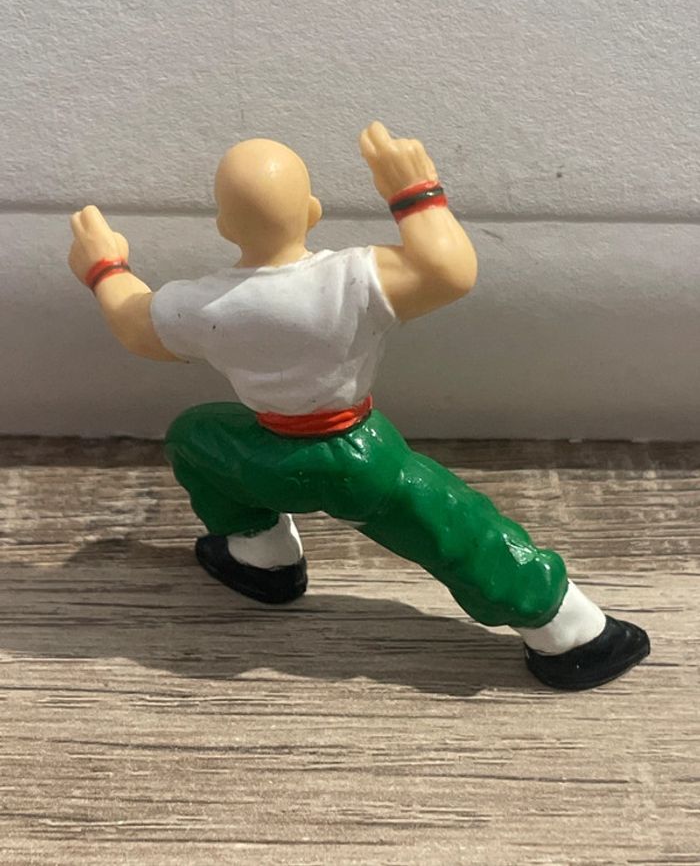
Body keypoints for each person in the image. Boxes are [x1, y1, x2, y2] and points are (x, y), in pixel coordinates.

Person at [68, 121, 650, 690]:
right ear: (313, 211)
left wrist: (105, 267)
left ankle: (262, 555)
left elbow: (134, 323)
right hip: (359, 458)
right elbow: (449, 271)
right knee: (457, 527)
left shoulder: (202, 305)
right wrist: (415, 194)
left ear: (224, 226)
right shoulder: (350, 278)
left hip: (271, 457)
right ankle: (571, 633)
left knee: (196, 437)